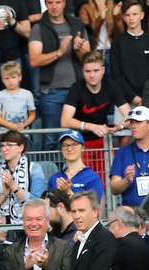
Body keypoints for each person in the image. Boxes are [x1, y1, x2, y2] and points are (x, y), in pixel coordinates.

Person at [28, 0, 93, 149]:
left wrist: (78, 49)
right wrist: (60, 52)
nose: (54, 6)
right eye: (50, 2)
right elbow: (34, 60)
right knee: (51, 139)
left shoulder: (77, 24)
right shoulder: (39, 27)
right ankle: (52, 172)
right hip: (51, 92)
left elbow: (89, 59)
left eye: (58, 2)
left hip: (78, 90)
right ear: (45, 4)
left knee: (77, 138)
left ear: (64, 3)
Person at [61, 51, 130, 181]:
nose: (92, 75)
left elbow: (130, 115)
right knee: (81, 182)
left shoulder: (112, 86)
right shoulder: (76, 88)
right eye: (88, 71)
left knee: (105, 182)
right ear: (82, 71)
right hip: (80, 143)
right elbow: (65, 120)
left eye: (96, 70)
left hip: (102, 142)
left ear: (103, 70)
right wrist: (90, 126)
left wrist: (120, 126)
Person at [0, 130, 46, 226]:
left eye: (9, 145)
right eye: (2, 146)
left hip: (28, 223)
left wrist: (13, 186)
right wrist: (3, 195)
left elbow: (35, 201)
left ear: (21, 147)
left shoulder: (34, 169)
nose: (4, 149)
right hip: (2, 226)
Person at [109, 0, 149, 107]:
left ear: (142, 15)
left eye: (134, 14)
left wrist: (146, 95)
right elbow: (116, 75)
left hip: (148, 98)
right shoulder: (118, 42)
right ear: (123, 17)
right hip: (124, 100)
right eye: (127, 15)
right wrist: (132, 97)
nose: (131, 18)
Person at [47, 129, 105, 201]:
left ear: (83, 148)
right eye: (65, 145)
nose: (69, 149)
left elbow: (92, 207)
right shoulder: (55, 178)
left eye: (74, 144)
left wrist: (68, 192)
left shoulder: (92, 177)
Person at [77, 0, 122, 80]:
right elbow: (87, 33)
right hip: (95, 53)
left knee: (112, 86)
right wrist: (100, 19)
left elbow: (121, 36)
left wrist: (116, 18)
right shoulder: (86, 8)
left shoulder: (115, 8)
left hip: (112, 52)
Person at [0, 60, 37, 133]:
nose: (10, 81)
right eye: (7, 78)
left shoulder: (27, 94)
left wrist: (25, 124)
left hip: (22, 132)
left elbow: (32, 114)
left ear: (20, 77)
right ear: (2, 80)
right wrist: (11, 126)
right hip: (4, 133)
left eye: (13, 77)